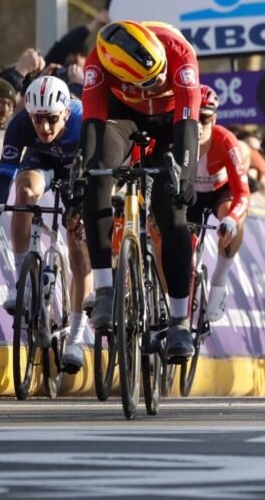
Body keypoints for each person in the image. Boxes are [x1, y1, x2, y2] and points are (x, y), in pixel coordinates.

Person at [79, 20, 202, 362]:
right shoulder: (98, 64)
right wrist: (82, 175)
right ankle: (104, 288)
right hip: (124, 116)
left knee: (171, 208)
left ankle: (179, 322)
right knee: (96, 176)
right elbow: (91, 125)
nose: (159, 81)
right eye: (150, 80)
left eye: (160, 73)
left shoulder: (178, 53)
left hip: (171, 123)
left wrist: (186, 177)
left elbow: (189, 125)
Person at [0, 76, 92, 372]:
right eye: (38, 120)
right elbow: (4, 175)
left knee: (79, 248)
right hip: (42, 163)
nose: (44, 128)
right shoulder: (20, 125)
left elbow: (93, 176)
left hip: (79, 170)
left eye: (52, 120)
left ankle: (75, 338)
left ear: (66, 113)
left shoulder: (83, 120)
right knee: (23, 193)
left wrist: (79, 209)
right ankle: (23, 281)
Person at [188, 85, 250, 322]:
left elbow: (243, 192)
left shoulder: (226, 140)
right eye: (193, 118)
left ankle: (219, 283)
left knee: (230, 216)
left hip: (219, 192)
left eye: (204, 119)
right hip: (190, 193)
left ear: (214, 118)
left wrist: (232, 220)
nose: (199, 126)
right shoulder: (178, 137)